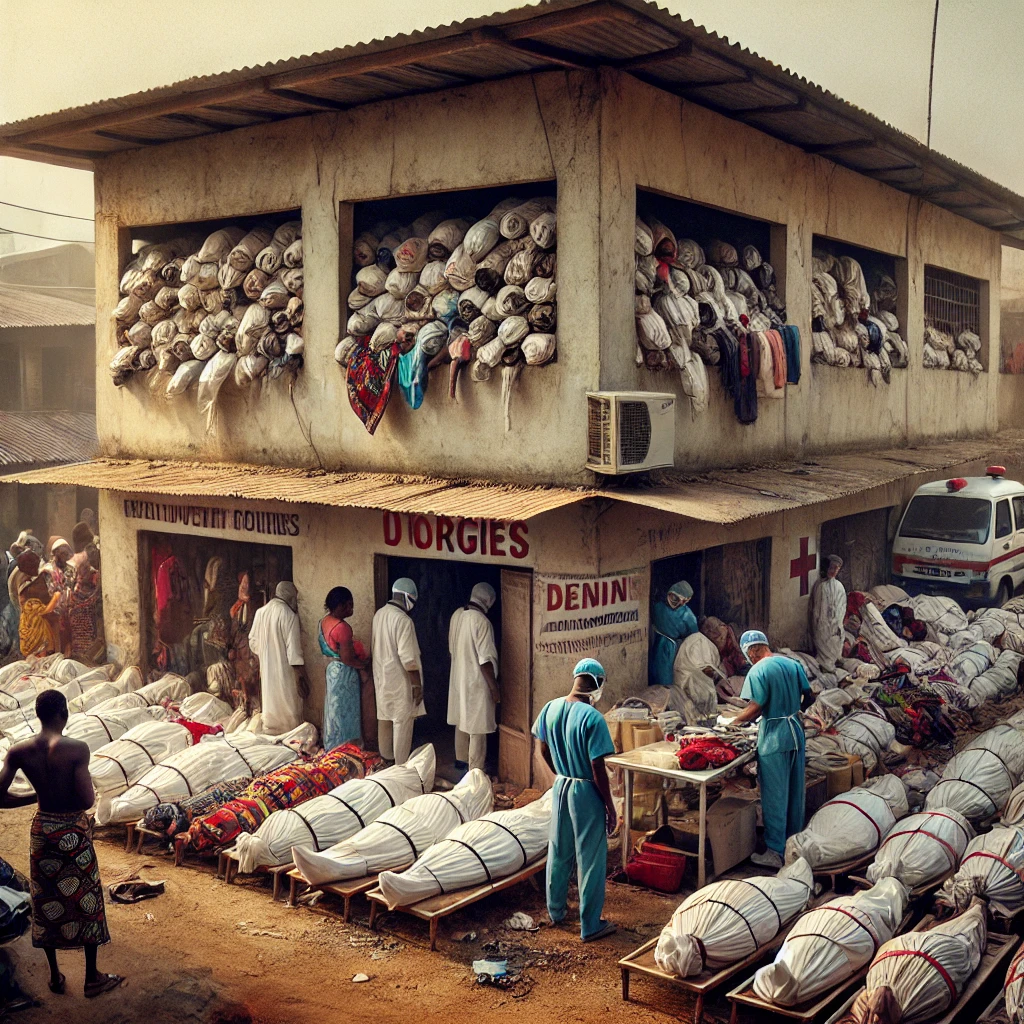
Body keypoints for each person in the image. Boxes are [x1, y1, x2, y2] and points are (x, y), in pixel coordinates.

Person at [0, 690, 123, 998]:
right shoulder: (77, 749)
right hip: (72, 831)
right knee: (86, 897)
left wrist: (36, 796)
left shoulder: (19, 751)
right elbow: (85, 799)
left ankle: (55, 976)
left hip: (43, 830)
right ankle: (92, 978)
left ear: (39, 714)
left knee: (46, 897)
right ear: (64, 713)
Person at [532, 658, 617, 943]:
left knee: (559, 850)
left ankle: (556, 911)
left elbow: (542, 749)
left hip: (562, 786)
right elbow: (597, 767)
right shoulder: (593, 718)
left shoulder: (550, 708)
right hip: (585, 791)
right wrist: (609, 805)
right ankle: (590, 924)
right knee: (590, 858)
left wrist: (561, 772)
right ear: (598, 684)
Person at [729, 630, 812, 868]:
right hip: (796, 731)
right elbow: (811, 696)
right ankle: (794, 845)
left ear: (752, 651)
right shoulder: (792, 663)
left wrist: (734, 722)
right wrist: (794, 709)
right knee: (795, 792)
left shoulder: (758, 670)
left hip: (775, 737)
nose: (748, 659)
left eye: (747, 655)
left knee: (775, 795)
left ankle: (775, 851)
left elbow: (756, 707)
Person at [371, 578, 424, 766]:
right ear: (408, 597)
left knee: (384, 719)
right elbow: (408, 658)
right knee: (402, 724)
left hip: (383, 678)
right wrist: (416, 684)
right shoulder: (403, 620)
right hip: (401, 681)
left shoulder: (380, 614)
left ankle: (386, 761)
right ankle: (400, 766)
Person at [447, 582, 499, 772]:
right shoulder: (482, 622)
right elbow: (485, 660)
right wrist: (494, 688)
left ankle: (461, 761)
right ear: (488, 601)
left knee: (461, 720)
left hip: (459, 676)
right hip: (477, 681)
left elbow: (451, 649)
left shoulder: (457, 615)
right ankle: (475, 770)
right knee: (477, 728)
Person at [248, 581, 308, 734]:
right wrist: (301, 676)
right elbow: (294, 652)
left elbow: (253, 642)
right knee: (289, 706)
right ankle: (290, 736)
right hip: (286, 670)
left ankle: (272, 732)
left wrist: (266, 655)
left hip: (267, 668)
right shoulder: (289, 615)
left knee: (271, 704)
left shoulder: (260, 612)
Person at [319, 586, 369, 750]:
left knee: (333, 710)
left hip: (332, 671)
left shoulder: (324, 622)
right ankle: (347, 748)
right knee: (346, 712)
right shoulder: (342, 628)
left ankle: (332, 746)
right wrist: (363, 666)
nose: (351, 608)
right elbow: (348, 658)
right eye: (348, 605)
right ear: (339, 606)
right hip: (344, 674)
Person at [649, 580, 698, 687]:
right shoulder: (658, 606)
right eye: (675, 598)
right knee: (653, 673)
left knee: (667, 676)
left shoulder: (688, 616)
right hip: (656, 643)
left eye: (682, 601)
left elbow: (695, 638)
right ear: (669, 594)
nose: (678, 603)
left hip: (674, 648)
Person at [14, 552, 59, 659]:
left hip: (49, 617)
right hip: (39, 622)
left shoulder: (45, 574)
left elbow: (55, 594)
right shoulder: (28, 582)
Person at [810, 555, 847, 671]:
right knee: (824, 650)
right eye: (832, 568)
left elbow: (842, 606)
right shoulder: (820, 586)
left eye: (837, 569)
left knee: (835, 647)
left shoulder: (839, 586)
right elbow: (817, 610)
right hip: (822, 626)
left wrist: (837, 623)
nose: (834, 571)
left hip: (836, 626)